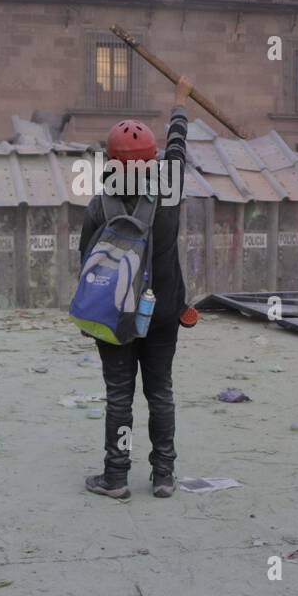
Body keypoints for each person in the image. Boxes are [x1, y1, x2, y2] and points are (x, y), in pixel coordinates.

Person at [81, 76, 192, 501]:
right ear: (153, 162)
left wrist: (88, 320)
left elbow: (87, 266)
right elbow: (178, 146)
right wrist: (179, 103)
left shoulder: (99, 205)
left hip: (114, 317)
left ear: (110, 161)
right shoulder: (170, 192)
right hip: (163, 313)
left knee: (119, 397)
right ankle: (163, 476)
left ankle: (116, 477)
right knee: (160, 391)